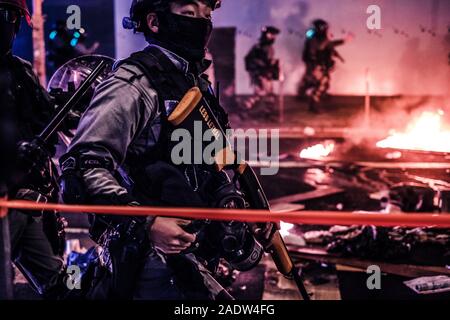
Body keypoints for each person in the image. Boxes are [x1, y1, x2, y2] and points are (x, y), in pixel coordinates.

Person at [60, 0, 261, 300]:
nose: (202, 23)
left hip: (194, 250)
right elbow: (82, 167)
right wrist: (147, 223)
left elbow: (210, 163)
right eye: (190, 13)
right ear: (155, 22)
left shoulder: (193, 84)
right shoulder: (132, 84)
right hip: (149, 259)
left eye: (206, 15)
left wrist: (238, 210)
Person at [0, 0, 68, 299]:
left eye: (8, 15)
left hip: (24, 200)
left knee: (59, 284)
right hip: (6, 201)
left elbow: (47, 120)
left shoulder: (19, 71)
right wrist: (15, 153)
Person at [298, 19, 351, 113]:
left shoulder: (318, 39)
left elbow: (328, 45)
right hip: (315, 65)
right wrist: (317, 66)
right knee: (320, 83)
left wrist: (343, 41)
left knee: (323, 83)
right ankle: (312, 103)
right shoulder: (313, 39)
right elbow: (320, 47)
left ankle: (306, 93)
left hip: (319, 65)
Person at [244, 26, 281, 110]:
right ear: (267, 35)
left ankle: (268, 111)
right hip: (261, 74)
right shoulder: (261, 47)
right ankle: (245, 109)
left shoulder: (263, 46)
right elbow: (257, 61)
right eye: (272, 35)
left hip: (262, 73)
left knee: (266, 93)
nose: (274, 37)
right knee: (263, 93)